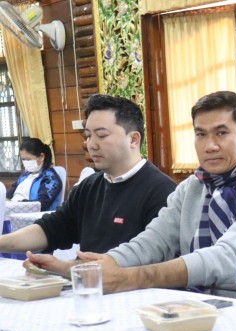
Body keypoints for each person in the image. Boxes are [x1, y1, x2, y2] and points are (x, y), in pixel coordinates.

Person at [32, 91, 236, 302]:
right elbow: (152, 242)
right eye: (200, 134)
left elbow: (228, 257)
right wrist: (87, 268)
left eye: (221, 133)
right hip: (192, 303)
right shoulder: (193, 186)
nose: (209, 146)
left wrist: (129, 278)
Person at [0, 94, 176, 256]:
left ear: (133, 139)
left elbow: (154, 261)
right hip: (85, 278)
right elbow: (51, 228)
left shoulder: (162, 192)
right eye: (88, 136)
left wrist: (68, 268)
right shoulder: (89, 187)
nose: (91, 145)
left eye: (101, 135)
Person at [7, 138, 63, 211]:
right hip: (12, 210)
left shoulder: (50, 179)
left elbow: (41, 204)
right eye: (23, 159)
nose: (25, 162)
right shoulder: (25, 176)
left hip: (32, 214)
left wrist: (18, 204)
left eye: (28, 159)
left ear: (41, 157)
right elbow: (8, 196)